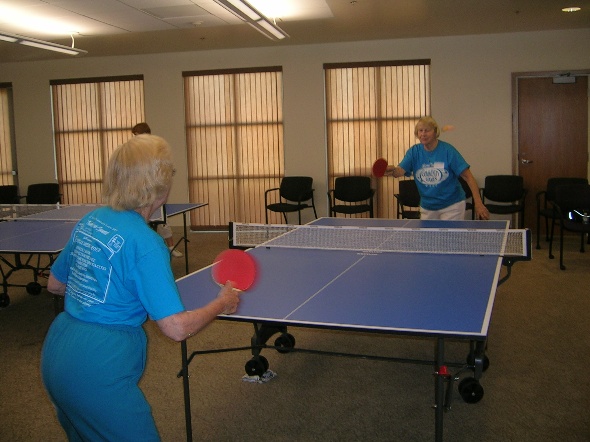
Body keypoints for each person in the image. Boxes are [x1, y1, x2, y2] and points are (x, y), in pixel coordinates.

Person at [41, 134, 240, 441]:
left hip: (58, 351)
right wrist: (222, 303)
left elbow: (55, 284)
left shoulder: (91, 220)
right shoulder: (147, 243)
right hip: (98, 364)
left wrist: (105, 294)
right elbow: (175, 328)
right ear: (159, 188)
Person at [385, 116, 489, 220]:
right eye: (420, 131)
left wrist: (479, 204)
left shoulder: (448, 151)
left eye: (427, 130)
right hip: (427, 207)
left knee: (450, 236)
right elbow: (399, 171)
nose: (423, 134)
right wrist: (392, 170)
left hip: (452, 206)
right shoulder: (414, 152)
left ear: (435, 132)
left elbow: (468, 177)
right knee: (430, 236)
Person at [131, 122, 183, 257]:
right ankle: (143, 251)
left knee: (162, 220)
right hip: (141, 192)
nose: (136, 138)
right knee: (141, 221)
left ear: (146, 134)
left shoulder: (156, 148)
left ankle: (171, 248)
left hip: (156, 190)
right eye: (134, 136)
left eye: (138, 135)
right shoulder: (134, 150)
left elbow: (167, 167)